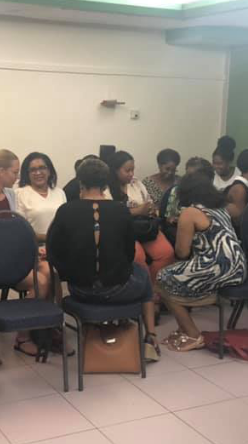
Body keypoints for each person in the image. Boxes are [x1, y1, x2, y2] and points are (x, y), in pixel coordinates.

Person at [48, 158, 161, 361]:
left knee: (132, 273)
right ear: (106, 184)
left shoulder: (65, 211)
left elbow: (53, 252)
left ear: (80, 182)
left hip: (79, 290)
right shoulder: (121, 210)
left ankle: (102, 329)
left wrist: (71, 274)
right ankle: (150, 337)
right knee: (142, 274)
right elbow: (129, 253)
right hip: (118, 289)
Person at [0, 149, 53, 358]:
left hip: (12, 259)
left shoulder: (10, 194)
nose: (18, 177)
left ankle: (43, 330)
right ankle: (23, 337)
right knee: (41, 282)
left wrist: (32, 251)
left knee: (47, 270)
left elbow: (16, 231)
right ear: (1, 171)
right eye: (15, 172)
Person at [156, 173, 247, 351]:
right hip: (239, 267)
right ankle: (183, 328)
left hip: (216, 267)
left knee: (162, 278)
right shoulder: (221, 208)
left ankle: (192, 334)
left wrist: (182, 228)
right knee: (175, 275)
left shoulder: (189, 212)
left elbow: (182, 252)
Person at [106, 151, 175, 289]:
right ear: (115, 170)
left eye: (133, 170)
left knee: (166, 253)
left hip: (144, 226)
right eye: (127, 170)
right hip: (121, 230)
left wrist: (150, 209)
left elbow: (148, 202)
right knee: (138, 257)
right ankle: (144, 293)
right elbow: (109, 214)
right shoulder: (105, 187)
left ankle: (155, 290)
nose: (131, 174)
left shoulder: (136, 183)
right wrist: (136, 211)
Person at [160, 157, 214, 245]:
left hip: (206, 234)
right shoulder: (175, 191)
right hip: (177, 231)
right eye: (187, 175)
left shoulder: (212, 194)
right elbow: (165, 219)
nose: (188, 179)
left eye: (192, 176)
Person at [16, 152, 67, 243]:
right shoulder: (20, 194)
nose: (38, 173)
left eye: (42, 168)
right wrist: (48, 237)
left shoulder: (60, 193)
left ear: (49, 171)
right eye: (33, 170)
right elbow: (20, 228)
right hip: (33, 247)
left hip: (59, 246)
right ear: (27, 174)